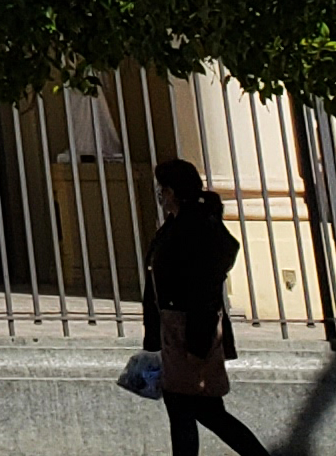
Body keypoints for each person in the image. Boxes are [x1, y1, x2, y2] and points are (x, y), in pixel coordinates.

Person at [143, 158, 268, 456]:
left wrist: (196, 343)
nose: (161, 194)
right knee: (191, 410)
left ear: (171, 191)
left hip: (188, 332)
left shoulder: (194, 227)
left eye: (163, 188)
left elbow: (201, 286)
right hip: (174, 331)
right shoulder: (180, 223)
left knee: (200, 410)